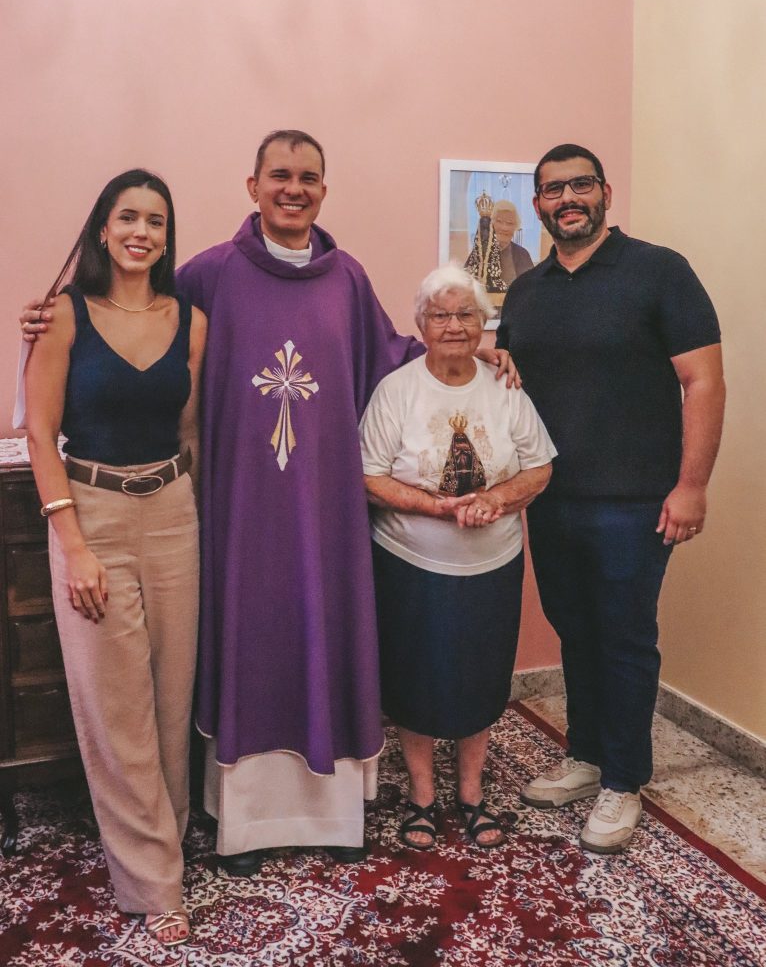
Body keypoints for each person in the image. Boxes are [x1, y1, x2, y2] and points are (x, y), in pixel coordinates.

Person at [21, 130, 516, 876]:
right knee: (243, 643)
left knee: (323, 635)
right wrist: (45, 321)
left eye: (308, 177)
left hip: (325, 512)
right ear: (252, 187)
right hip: (237, 511)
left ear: (324, 190)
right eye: (279, 175)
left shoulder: (346, 279)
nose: (294, 188)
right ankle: (243, 822)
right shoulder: (211, 274)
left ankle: (329, 815)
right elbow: (136, 316)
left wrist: (465, 349)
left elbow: (388, 353)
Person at [496, 143, 725, 854]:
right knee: (575, 628)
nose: (568, 199)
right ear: (538, 204)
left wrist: (692, 486)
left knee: (623, 637)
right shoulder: (527, 292)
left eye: (580, 185)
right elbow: (509, 377)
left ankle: (624, 780)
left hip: (635, 502)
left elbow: (703, 382)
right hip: (551, 497)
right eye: (553, 189)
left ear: (605, 193)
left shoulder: (660, 272)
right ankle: (588, 757)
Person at [24, 169, 207, 945]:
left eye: (155, 221)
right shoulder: (62, 315)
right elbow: (40, 435)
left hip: (173, 512)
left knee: (170, 700)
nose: (142, 232)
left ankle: (169, 841)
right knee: (117, 708)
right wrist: (74, 547)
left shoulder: (191, 321)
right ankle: (155, 883)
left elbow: (192, 432)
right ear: (103, 228)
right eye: (128, 217)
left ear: (167, 237)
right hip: (91, 512)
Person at [360, 266, 555, 850]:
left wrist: (496, 499)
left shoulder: (504, 386)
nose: (453, 326)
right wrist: (438, 508)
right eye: (440, 315)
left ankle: (471, 792)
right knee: (414, 677)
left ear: (483, 323)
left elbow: (540, 466)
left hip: (493, 565)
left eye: (466, 314)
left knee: (481, 676)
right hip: (410, 564)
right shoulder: (396, 390)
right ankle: (422, 796)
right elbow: (369, 477)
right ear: (421, 324)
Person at [464, 195, 534, 302]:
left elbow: (530, 290)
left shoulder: (522, 255)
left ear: (515, 227)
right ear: (491, 224)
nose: (504, 228)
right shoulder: (478, 253)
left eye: (509, 223)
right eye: (499, 221)